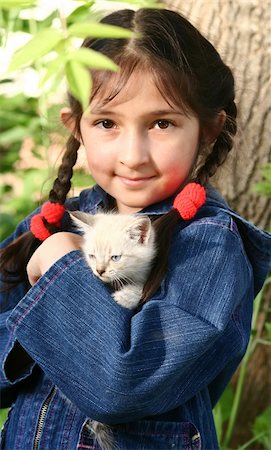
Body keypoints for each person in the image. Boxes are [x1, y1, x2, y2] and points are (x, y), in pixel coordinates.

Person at [0, 7, 270, 450]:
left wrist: (63, 268)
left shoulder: (208, 247)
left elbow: (120, 385)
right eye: (107, 123)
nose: (133, 154)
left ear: (207, 131)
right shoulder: (57, 221)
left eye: (161, 123)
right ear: (78, 128)